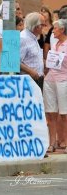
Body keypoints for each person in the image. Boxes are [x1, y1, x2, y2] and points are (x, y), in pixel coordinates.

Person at [43, 19, 67, 153]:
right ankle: (51, 143)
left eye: (55, 28)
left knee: (64, 113)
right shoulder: (55, 43)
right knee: (51, 113)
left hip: (64, 80)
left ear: (62, 30)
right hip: (50, 80)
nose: (53, 31)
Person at [20, 12, 46, 90]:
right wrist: (31, 71)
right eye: (43, 25)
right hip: (28, 80)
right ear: (37, 26)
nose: (44, 27)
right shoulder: (23, 38)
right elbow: (14, 61)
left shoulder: (33, 37)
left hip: (37, 79)